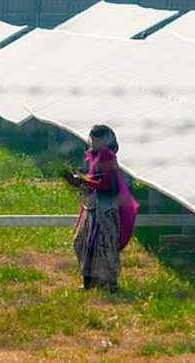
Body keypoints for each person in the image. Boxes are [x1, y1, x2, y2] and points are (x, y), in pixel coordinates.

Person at [62, 124, 138, 291]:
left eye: (96, 139)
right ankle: (89, 282)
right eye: (92, 139)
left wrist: (82, 180)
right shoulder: (94, 156)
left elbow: (105, 184)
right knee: (84, 243)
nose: (93, 142)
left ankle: (109, 283)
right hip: (94, 205)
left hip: (106, 208)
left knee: (103, 245)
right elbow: (94, 182)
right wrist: (79, 181)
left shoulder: (107, 157)